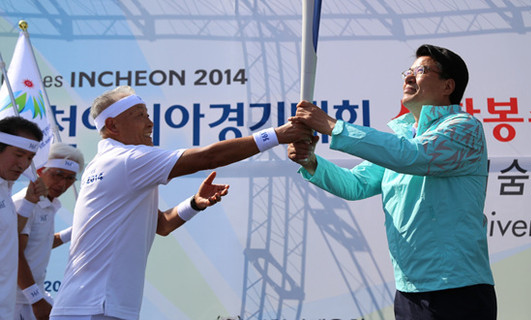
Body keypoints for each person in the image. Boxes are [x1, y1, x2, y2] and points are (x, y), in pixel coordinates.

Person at [50, 86, 311, 320]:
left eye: (147, 114)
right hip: (96, 307)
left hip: (88, 304)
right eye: (139, 115)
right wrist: (277, 135)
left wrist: (194, 204)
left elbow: (161, 225)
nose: (150, 122)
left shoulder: (105, 163)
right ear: (113, 125)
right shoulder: (128, 159)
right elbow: (209, 157)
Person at [288, 44, 497, 320]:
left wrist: (332, 126)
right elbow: (356, 184)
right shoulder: (403, 138)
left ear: (448, 86)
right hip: (409, 289)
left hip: (457, 288)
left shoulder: (463, 127)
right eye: (408, 71)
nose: (409, 77)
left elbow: (414, 156)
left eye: (420, 71)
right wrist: (311, 161)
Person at [12, 142, 84, 320]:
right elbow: (14, 253)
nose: (63, 184)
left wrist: (75, 231)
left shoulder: (49, 203)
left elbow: (38, 243)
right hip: (14, 301)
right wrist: (36, 300)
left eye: (70, 178)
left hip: (30, 297)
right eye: (57, 174)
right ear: (40, 171)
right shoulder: (24, 203)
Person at [0, 116, 48, 320]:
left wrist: (29, 202)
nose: (23, 164)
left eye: (30, 158)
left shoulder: (5, 188)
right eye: (19, 154)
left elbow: (9, 235)